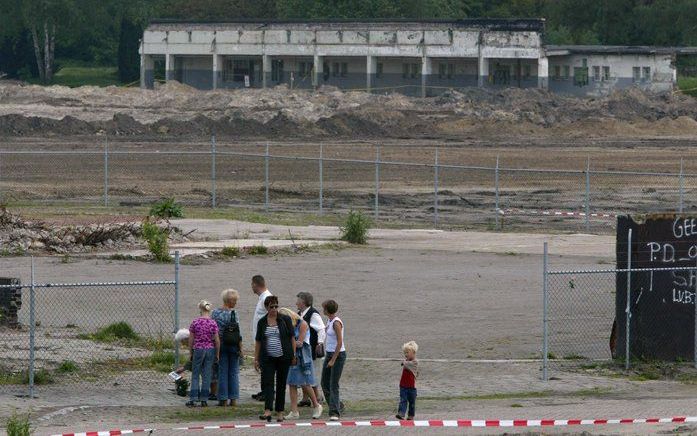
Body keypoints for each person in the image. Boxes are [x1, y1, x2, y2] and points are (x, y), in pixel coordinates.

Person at [254, 296, 296, 422]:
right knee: (268, 383)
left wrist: (293, 355)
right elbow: (258, 341)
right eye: (271, 307)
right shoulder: (262, 322)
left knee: (281, 384)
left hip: (284, 357)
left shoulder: (285, 319)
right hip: (267, 358)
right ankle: (267, 410)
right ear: (266, 308)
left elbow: (292, 338)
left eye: (276, 306)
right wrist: (256, 359)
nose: (274, 309)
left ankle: (280, 411)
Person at [279, 307, 323, 420]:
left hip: (303, 356)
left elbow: (300, 343)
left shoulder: (302, 324)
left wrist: (290, 343)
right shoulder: (288, 325)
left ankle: (317, 405)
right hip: (292, 355)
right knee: (292, 383)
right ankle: (294, 411)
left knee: (304, 382)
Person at [212, 289, 242, 407]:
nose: (235, 303)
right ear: (230, 301)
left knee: (222, 372)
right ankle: (233, 398)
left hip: (221, 344)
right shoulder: (234, 314)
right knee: (234, 372)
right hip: (233, 345)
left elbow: (213, 330)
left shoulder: (215, 313)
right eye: (234, 300)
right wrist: (241, 348)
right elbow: (238, 333)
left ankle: (223, 399)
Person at [186, 300, 220, 407]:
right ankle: (204, 399)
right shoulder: (213, 323)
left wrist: (190, 352)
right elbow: (217, 340)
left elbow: (191, 339)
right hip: (210, 349)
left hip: (198, 349)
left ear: (200, 309)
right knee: (207, 375)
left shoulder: (195, 322)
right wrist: (217, 353)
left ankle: (193, 398)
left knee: (195, 374)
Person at [296, 292, 326, 407]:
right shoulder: (300, 313)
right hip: (302, 349)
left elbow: (321, 329)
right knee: (304, 372)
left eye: (298, 300)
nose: (296, 303)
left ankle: (317, 397)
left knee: (312, 373)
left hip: (311, 349)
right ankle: (305, 398)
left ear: (303, 302)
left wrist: (320, 343)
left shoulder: (313, 314)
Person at [321, 299, 346, 421]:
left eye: (324, 308)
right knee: (324, 382)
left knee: (333, 384)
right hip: (329, 353)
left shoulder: (336, 323)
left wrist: (333, 359)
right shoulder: (329, 321)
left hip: (338, 355)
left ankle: (334, 412)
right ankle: (338, 405)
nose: (322, 310)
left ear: (327, 310)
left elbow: (340, 342)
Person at [251, 275, 272, 402]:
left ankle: (268, 392)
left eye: (252, 284)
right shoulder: (262, 298)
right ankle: (264, 390)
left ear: (255, 284)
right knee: (263, 367)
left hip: (266, 339)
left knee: (266, 366)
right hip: (260, 338)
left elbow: (273, 316)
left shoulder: (267, 298)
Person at [396, 341, 419, 421]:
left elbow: (408, 364)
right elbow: (406, 363)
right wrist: (404, 362)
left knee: (412, 402)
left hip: (412, 387)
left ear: (413, 352)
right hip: (403, 386)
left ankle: (411, 415)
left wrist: (403, 362)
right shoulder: (406, 361)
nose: (406, 354)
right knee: (403, 400)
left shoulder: (415, 362)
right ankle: (401, 413)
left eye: (407, 352)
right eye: (405, 352)